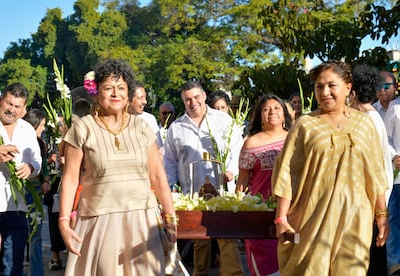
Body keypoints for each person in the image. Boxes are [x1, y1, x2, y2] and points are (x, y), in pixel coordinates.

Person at [58, 58, 176, 275]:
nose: (116, 94)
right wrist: (64, 221)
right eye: (108, 88)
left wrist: (170, 217)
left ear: (128, 93)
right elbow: (70, 178)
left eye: (121, 88)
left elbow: (158, 175)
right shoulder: (83, 128)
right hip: (99, 220)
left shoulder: (142, 127)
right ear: (96, 92)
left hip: (143, 220)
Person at [272, 60, 389, 275]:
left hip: (356, 219)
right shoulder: (305, 125)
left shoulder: (365, 124)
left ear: (348, 87)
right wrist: (281, 218)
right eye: (319, 86)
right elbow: (287, 174)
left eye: (331, 85)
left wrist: (381, 215)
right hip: (311, 220)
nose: (325, 92)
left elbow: (375, 173)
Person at [164, 80, 244, 276]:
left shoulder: (223, 121)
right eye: (188, 100)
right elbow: (169, 161)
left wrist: (231, 171)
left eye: (196, 97)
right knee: (199, 239)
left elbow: (237, 149)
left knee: (227, 237)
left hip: (223, 189)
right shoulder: (177, 128)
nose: (193, 103)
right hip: (193, 191)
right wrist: (172, 186)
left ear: (204, 96)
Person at [0, 83, 42, 275]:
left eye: (17, 106)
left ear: (24, 108)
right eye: (9, 103)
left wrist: (31, 167)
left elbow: (36, 160)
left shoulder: (26, 129)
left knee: (13, 262)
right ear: (1, 99)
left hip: (15, 205)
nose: (12, 110)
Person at [236, 94, 291, 276]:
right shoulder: (252, 143)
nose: (272, 112)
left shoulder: (294, 138)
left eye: (276, 108)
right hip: (261, 214)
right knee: (266, 266)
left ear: (284, 114)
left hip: (293, 213)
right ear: (260, 115)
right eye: (266, 109)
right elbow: (242, 181)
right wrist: (239, 210)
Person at [350, 64, 393, 276]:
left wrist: (379, 208)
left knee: (371, 259)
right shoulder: (371, 115)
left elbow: (377, 166)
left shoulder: (368, 119)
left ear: (353, 92)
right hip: (372, 199)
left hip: (372, 200)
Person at [23, 109, 51, 276]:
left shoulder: (40, 143)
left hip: (36, 192)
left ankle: (36, 272)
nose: (43, 129)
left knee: (36, 235)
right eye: (41, 125)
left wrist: (46, 180)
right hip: (19, 192)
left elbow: (44, 166)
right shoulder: (20, 141)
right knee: (20, 234)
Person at [383, 73, 400, 275]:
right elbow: (384, 139)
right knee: (395, 222)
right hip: (397, 178)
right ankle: (395, 265)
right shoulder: (395, 108)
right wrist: (394, 155)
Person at [127, 80, 162, 147]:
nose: (145, 102)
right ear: (128, 99)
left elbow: (159, 148)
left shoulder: (149, 119)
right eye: (140, 98)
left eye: (145, 97)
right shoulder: (115, 119)